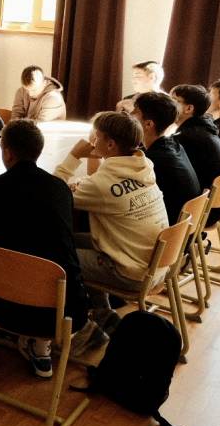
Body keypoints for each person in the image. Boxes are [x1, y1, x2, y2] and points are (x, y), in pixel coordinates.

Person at [0, 120, 105, 379]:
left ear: (7, 153)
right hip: (61, 311)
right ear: (38, 152)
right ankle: (40, 350)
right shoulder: (60, 189)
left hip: (5, 306)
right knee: (48, 256)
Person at [54, 111, 168, 332]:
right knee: (69, 240)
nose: (92, 140)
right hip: (154, 264)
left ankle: (78, 326)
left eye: (96, 136)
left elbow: (53, 193)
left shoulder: (103, 184)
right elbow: (103, 185)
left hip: (130, 272)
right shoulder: (144, 167)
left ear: (110, 144)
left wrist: (74, 156)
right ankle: (102, 313)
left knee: (56, 256)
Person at [132, 92, 201, 225]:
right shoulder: (174, 145)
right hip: (185, 226)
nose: (130, 114)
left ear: (148, 124)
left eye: (135, 111)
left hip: (168, 228)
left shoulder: (152, 161)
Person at [170, 84, 220, 191]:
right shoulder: (203, 127)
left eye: (174, 101)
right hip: (211, 196)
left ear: (189, 108)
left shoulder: (188, 136)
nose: (168, 104)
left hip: (199, 197)